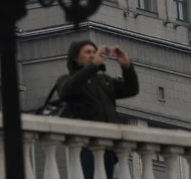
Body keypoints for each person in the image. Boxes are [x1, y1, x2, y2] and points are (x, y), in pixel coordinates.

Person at [56, 40, 139, 179]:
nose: (92, 55)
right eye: (87, 52)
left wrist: (126, 66)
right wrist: (93, 66)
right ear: (75, 58)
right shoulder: (66, 79)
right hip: (86, 146)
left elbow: (131, 89)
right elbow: (66, 91)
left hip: (109, 148)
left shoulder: (104, 80)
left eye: (94, 52)